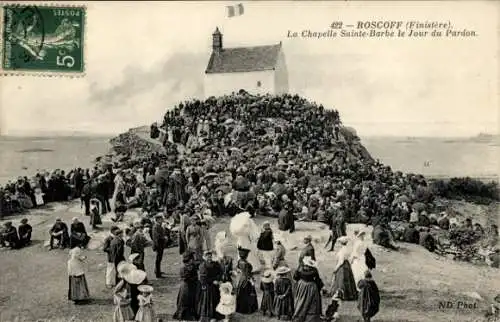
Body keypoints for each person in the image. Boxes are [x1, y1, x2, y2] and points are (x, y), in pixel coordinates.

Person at [292, 256, 324, 322]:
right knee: (312, 302)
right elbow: (317, 280)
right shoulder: (314, 270)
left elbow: (295, 277)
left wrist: (300, 281)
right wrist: (320, 287)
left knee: (301, 300)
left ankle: (299, 314)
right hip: (311, 287)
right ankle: (311, 317)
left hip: (302, 286)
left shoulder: (300, 269)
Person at [198, 250, 224, 322]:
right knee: (208, 301)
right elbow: (203, 278)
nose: (209, 258)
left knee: (216, 299)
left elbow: (220, 272)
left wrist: (219, 279)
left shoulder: (215, 264)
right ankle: (208, 316)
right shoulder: (202, 266)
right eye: (207, 257)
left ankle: (216, 315)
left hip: (215, 287)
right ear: (204, 257)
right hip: (208, 287)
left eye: (210, 257)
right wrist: (212, 281)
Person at [173, 251, 199, 321]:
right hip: (186, 287)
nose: (193, 260)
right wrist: (193, 278)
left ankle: (191, 315)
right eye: (192, 259)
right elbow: (185, 278)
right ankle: (184, 316)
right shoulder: (183, 268)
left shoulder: (193, 266)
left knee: (192, 300)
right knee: (185, 301)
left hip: (192, 286)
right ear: (189, 259)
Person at [330, 237, 358, 301]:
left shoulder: (342, 251)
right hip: (347, 265)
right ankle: (349, 294)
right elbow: (350, 258)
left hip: (342, 266)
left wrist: (336, 268)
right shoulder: (347, 249)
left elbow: (341, 261)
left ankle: (342, 295)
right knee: (348, 279)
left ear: (341, 243)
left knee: (341, 280)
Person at [235, 247, 259, 314]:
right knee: (248, 294)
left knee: (241, 294)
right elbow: (248, 274)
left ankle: (240, 309)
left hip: (241, 279)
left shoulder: (239, 261)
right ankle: (248, 309)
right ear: (246, 255)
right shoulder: (247, 264)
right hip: (247, 280)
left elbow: (238, 269)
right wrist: (252, 281)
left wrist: (241, 272)